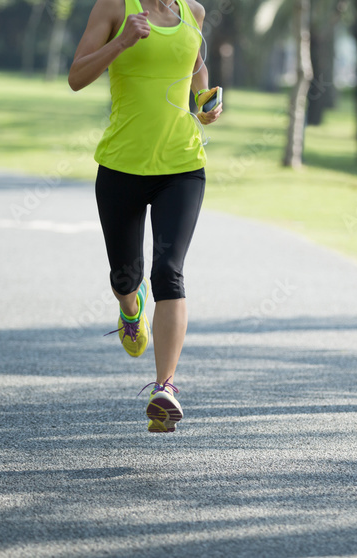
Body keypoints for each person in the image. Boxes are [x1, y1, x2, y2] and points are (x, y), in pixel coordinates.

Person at [68, 0, 222, 433]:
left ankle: (165, 388)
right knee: (125, 275)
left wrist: (203, 100)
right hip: (122, 166)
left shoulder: (193, 11)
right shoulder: (115, 7)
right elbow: (76, 77)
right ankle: (129, 309)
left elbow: (196, 66)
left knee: (169, 272)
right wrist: (121, 42)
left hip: (183, 166)